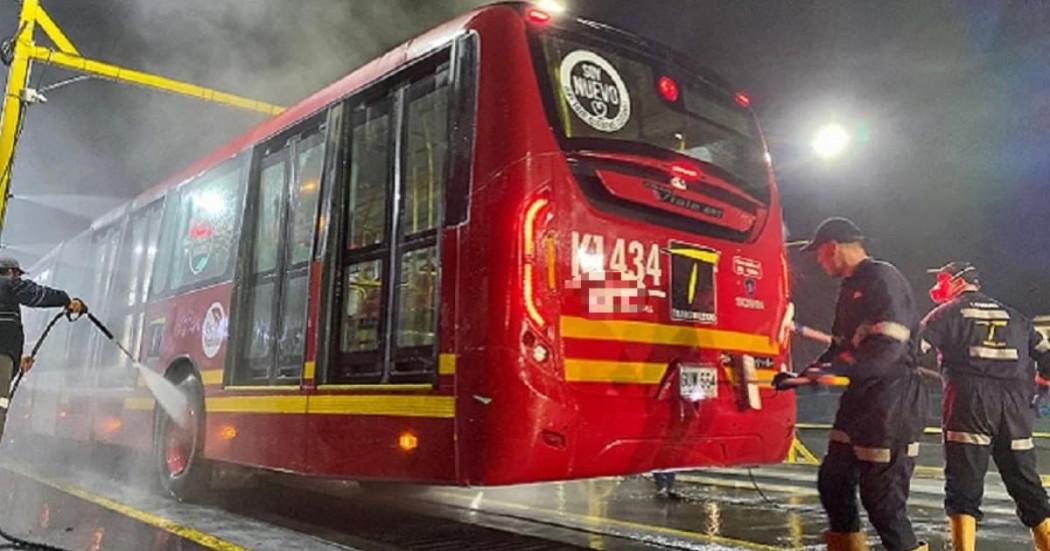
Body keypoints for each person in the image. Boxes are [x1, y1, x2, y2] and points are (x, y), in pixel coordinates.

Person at [799, 218, 929, 551]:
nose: (819, 261)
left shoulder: (882, 278)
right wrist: (806, 373)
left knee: (883, 503)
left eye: (820, 254)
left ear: (832, 248)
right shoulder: (849, 289)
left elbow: (889, 346)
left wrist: (840, 371)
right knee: (834, 482)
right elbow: (840, 347)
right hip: (862, 399)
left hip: (892, 399)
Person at [920, 261, 1050, 551]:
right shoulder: (1016, 317)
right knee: (1028, 486)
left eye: (942, 279)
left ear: (957, 282)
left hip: (969, 405)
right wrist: (1039, 381)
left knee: (963, 489)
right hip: (1015, 409)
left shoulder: (945, 314)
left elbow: (914, 350)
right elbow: (1047, 357)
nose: (939, 286)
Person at [0, 256, 83, 440]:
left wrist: (16, 361)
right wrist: (66, 300)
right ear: (11, 273)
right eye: (17, 275)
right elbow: (36, 294)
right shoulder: (7, 284)